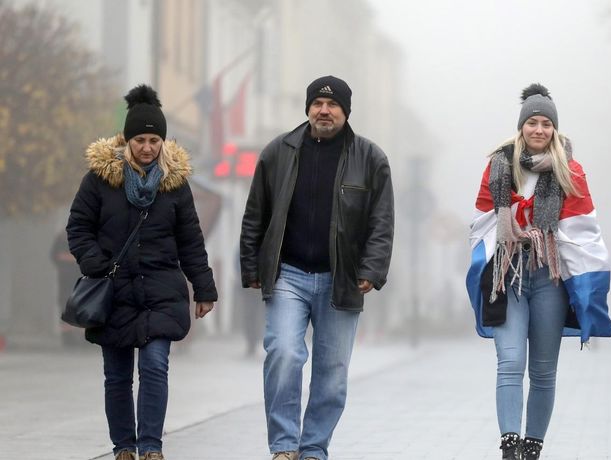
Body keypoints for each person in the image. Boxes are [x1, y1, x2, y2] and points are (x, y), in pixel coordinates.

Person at [239, 75, 394, 460]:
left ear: (346, 111)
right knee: (283, 354)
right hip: (287, 274)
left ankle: (313, 449)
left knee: (332, 372)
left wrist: (372, 269)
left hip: (342, 279)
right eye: (317, 104)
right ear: (308, 108)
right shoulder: (278, 152)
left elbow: (382, 221)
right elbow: (255, 212)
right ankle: (284, 445)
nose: (324, 111)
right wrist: (251, 265)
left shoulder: (370, 158)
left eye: (333, 104)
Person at [66, 84, 217, 460]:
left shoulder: (176, 185)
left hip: (161, 291)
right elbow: (78, 227)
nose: (147, 148)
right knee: (117, 377)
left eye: (153, 140)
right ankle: (124, 446)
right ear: (127, 140)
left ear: (163, 142)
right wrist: (95, 263)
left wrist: (204, 288)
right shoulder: (100, 180)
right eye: (139, 140)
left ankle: (150, 445)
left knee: (154, 366)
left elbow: (191, 240)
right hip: (114, 292)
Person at [466, 84, 611, 460]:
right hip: (508, 275)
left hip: (550, 277)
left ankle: (532, 447)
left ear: (554, 129)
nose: (539, 130)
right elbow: (481, 222)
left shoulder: (570, 171)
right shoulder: (499, 166)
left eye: (546, 124)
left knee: (544, 371)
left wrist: (586, 281)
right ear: (521, 127)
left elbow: (583, 228)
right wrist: (511, 227)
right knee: (511, 362)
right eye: (532, 122)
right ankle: (509, 446)